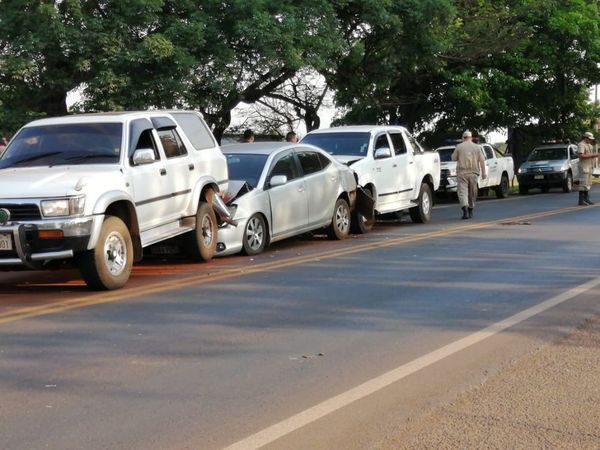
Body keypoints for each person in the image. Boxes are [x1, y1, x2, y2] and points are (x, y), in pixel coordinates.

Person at [451, 130, 487, 219]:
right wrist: (484, 173)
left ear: (463, 138)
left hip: (462, 173)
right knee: (472, 192)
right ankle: (471, 209)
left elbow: (453, 158)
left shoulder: (459, 147)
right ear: (471, 138)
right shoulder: (477, 147)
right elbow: (482, 161)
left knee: (462, 192)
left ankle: (465, 209)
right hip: (474, 173)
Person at [576, 131, 599, 206]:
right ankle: (581, 200)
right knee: (583, 183)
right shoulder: (581, 145)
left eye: (591, 139)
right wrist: (593, 155)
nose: (591, 140)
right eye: (589, 139)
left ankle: (586, 199)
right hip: (584, 166)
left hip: (589, 166)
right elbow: (581, 156)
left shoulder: (590, 145)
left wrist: (594, 155)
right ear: (585, 138)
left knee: (588, 183)